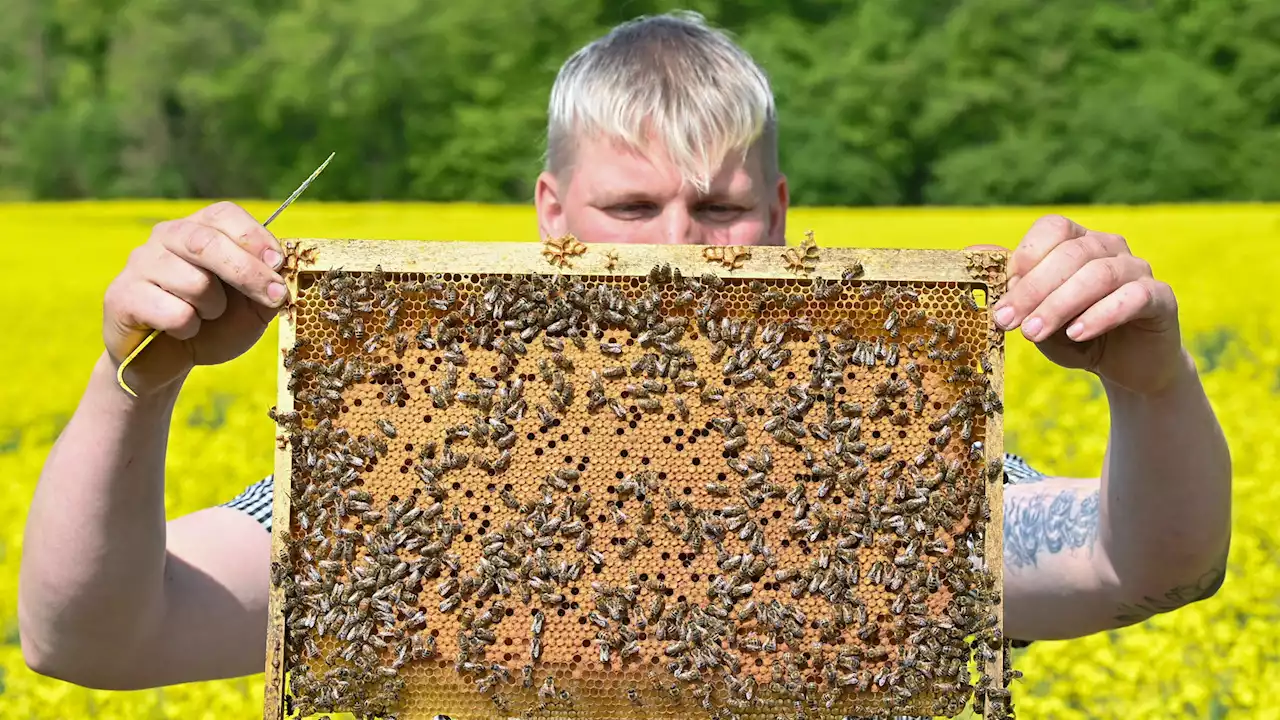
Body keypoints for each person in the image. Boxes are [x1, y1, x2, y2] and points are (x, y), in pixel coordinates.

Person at [19, 8, 1231, 707]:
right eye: (630, 206)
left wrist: (1150, 383)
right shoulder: (423, 457)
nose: (674, 248)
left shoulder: (876, 460)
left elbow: (1150, 566)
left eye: (717, 210)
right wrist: (138, 377)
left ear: (779, 213)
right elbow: (92, 641)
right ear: (552, 209)